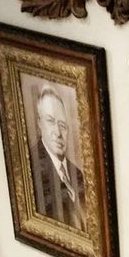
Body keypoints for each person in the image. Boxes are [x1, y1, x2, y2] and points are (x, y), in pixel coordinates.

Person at [30, 83, 86, 231]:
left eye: (62, 125)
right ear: (39, 124)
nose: (58, 133)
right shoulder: (30, 170)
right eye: (50, 121)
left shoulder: (77, 174)